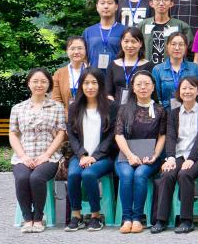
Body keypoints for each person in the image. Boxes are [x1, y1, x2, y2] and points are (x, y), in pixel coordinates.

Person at [10, 68, 67, 233]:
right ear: (29, 84)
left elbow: (61, 133)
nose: (39, 85)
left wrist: (46, 155)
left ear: (49, 84)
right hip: (23, 157)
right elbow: (13, 134)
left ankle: (38, 218)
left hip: (49, 157)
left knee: (36, 178)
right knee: (22, 178)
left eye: (43, 81)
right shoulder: (18, 108)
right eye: (35, 81)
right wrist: (23, 156)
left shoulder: (57, 107)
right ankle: (27, 219)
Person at [152, 77, 198, 234]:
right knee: (167, 174)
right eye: (184, 88)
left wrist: (191, 158)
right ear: (179, 92)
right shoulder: (173, 113)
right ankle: (161, 220)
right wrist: (170, 157)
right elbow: (171, 137)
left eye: (191, 88)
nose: (187, 91)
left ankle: (186, 220)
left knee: (185, 175)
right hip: (179, 155)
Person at [114, 71, 166, 233]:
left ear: (153, 87)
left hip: (150, 158)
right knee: (127, 174)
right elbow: (119, 135)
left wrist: (155, 155)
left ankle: (137, 218)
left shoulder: (159, 109)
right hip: (126, 156)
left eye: (147, 84)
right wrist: (130, 156)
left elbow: (162, 136)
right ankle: (126, 218)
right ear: (133, 88)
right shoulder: (124, 109)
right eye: (139, 84)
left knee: (140, 174)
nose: (143, 87)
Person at [64, 68, 117, 232]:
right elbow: (71, 135)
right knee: (73, 174)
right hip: (80, 155)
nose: (90, 87)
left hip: (103, 157)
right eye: (86, 83)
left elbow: (112, 135)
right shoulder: (74, 107)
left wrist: (95, 156)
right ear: (81, 85)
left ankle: (95, 216)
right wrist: (82, 154)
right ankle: (76, 215)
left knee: (88, 174)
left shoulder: (110, 106)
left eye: (94, 83)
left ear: (100, 85)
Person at [138, 0, 193, 65]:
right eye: (157, 0)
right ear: (151, 3)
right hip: (146, 68)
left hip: (172, 68)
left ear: (171, 3)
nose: (161, 3)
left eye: (165, 0)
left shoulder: (181, 26)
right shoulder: (142, 25)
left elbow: (190, 51)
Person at [152, 31, 198, 111]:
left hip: (190, 111)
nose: (177, 48)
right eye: (173, 44)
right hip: (166, 112)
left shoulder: (194, 68)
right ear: (167, 46)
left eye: (181, 44)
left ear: (186, 47)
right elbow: (156, 98)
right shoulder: (158, 69)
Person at [107, 27, 155, 106]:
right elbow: (108, 92)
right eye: (126, 41)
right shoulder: (113, 65)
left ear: (141, 44)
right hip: (117, 109)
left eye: (133, 42)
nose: (129, 45)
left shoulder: (149, 66)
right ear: (121, 42)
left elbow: (153, 92)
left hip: (141, 109)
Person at [84, 0, 126, 69]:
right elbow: (84, 57)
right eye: (102, 3)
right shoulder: (88, 31)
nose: (106, 6)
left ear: (116, 7)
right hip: (94, 75)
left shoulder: (125, 31)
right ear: (97, 7)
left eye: (110, 3)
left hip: (117, 74)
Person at [53, 36, 88, 107]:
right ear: (67, 51)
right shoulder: (59, 73)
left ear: (86, 50)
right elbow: (56, 100)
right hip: (65, 113)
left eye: (80, 48)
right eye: (72, 49)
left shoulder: (93, 72)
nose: (76, 52)